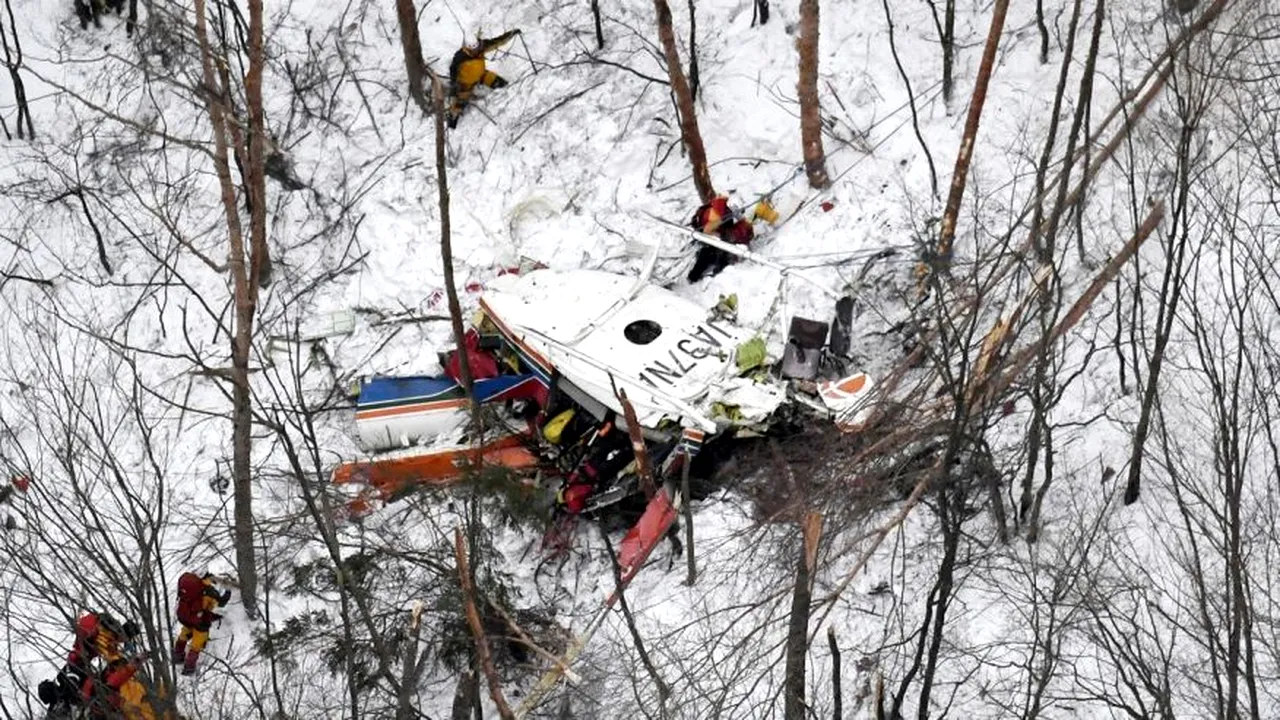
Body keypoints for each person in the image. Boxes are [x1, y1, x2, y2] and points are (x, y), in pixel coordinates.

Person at [687, 195, 779, 282]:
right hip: (716, 239)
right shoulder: (713, 217)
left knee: (718, 253)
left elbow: (741, 222)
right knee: (709, 254)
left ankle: (709, 274)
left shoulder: (725, 213)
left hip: (726, 234)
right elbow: (708, 232)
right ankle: (695, 276)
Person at [448, 29, 521, 129]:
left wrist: (510, 34)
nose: (475, 51)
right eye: (472, 49)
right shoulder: (460, 57)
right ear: (466, 48)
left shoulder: (481, 46)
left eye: (476, 47)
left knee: (501, 84)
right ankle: (451, 121)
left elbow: (496, 41)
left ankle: (509, 92)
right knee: (459, 104)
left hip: (481, 74)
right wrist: (454, 85)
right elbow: (453, 70)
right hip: (465, 84)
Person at [173, 572, 231, 675]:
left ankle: (177, 656)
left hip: (187, 617)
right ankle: (189, 669)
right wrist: (228, 591)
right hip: (200, 621)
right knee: (197, 644)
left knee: (184, 635)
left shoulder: (188, 584)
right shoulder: (209, 591)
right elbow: (221, 603)